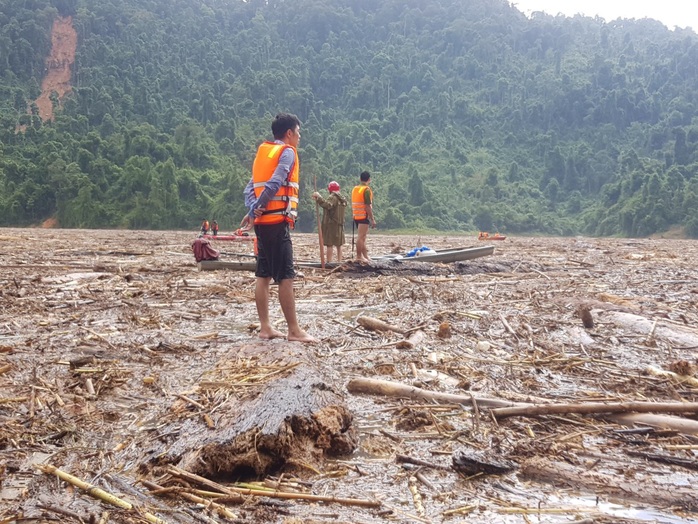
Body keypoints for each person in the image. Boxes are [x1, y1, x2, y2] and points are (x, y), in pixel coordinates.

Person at [240, 113, 317, 344]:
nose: (300, 138)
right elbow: (275, 182)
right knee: (285, 276)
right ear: (289, 133)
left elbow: (249, 187)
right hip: (275, 223)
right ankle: (294, 330)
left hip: (263, 224)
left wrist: (254, 208)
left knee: (263, 274)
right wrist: (257, 208)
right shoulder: (286, 153)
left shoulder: (264, 152)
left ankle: (266, 328)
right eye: (298, 132)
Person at [311, 181, 347, 263]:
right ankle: (339, 261)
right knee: (339, 244)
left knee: (329, 244)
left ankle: (329, 262)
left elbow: (327, 205)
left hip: (331, 224)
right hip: (340, 224)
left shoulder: (333, 197)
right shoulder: (342, 199)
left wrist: (319, 198)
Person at [351, 171, 376, 262]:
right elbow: (367, 206)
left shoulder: (355, 188)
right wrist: (372, 219)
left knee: (363, 237)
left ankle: (365, 256)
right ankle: (359, 256)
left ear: (360, 179)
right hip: (363, 216)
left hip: (356, 216)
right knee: (361, 237)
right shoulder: (366, 190)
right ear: (369, 179)